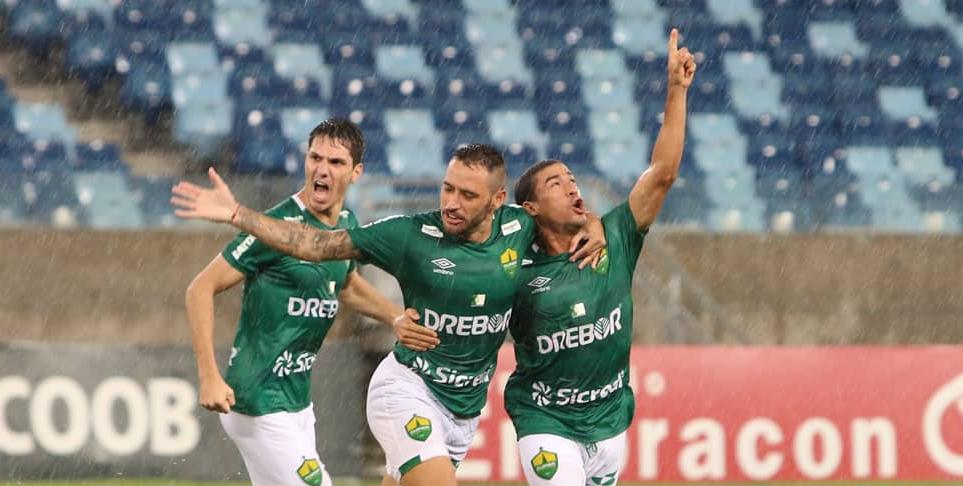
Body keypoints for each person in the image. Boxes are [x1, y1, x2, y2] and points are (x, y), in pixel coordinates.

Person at [171, 144, 607, 486]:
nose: (451, 202)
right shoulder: (409, 235)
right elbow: (315, 246)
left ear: (496, 201)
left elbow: (569, 215)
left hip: (463, 409)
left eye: (467, 195)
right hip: (406, 391)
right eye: (447, 188)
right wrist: (237, 214)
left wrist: (596, 226)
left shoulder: (518, 227)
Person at [506, 29, 695, 486]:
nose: (572, 186)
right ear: (530, 208)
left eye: (571, 178)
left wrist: (675, 90)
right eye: (555, 183)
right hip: (545, 421)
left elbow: (662, 174)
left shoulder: (614, 235)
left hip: (610, 420)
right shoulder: (512, 265)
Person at [184, 118, 416, 486]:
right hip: (257, 400)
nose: (322, 169)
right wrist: (209, 376)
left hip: (296, 404)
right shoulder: (276, 227)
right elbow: (199, 288)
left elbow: (346, 284)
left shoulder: (346, 224)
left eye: (335, 163)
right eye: (315, 158)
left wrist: (395, 318)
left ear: (356, 172)